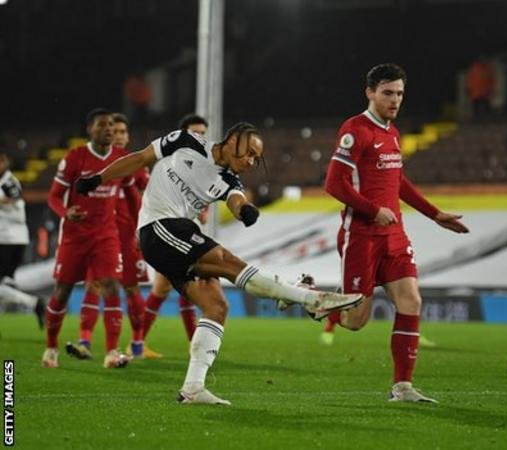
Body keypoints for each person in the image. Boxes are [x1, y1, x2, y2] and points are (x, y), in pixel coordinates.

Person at [75, 122, 363, 404]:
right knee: (227, 261)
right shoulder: (185, 141)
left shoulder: (230, 180)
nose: (251, 161)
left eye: (256, 157)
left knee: (216, 306)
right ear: (232, 141)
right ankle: (307, 298)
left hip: (179, 235)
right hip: (158, 227)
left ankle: (193, 387)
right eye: (249, 153)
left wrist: (245, 210)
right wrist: (98, 179)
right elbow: (139, 158)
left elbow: (235, 200)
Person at [323, 63, 469, 403]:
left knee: (411, 300)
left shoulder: (393, 132)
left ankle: (402, 387)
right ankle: (315, 298)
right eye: (388, 93)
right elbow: (334, 184)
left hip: (394, 237)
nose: (395, 100)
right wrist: (373, 210)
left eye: (400, 93)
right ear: (370, 93)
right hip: (360, 236)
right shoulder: (355, 129)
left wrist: (435, 214)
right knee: (357, 320)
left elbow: (397, 182)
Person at [42, 108, 140, 369]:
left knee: (111, 287)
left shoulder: (121, 158)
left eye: (111, 125)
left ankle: (111, 352)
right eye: (102, 125)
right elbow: (53, 196)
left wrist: (140, 225)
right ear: (90, 129)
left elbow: (132, 195)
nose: (108, 130)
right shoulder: (75, 157)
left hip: (106, 236)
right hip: (74, 236)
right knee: (61, 292)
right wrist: (66, 212)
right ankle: (51, 347)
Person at [68, 113, 149, 361]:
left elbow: (146, 193)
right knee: (94, 285)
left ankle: (137, 343)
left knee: (131, 287)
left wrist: (141, 229)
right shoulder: (98, 164)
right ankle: (85, 341)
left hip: (127, 236)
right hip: (102, 235)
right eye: (116, 131)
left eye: (124, 132)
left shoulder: (134, 164)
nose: (119, 136)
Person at [140, 114, 211, 359]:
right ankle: (137, 344)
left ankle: (141, 344)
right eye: (195, 132)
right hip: (164, 232)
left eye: (203, 132)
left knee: (180, 287)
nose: (199, 137)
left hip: (185, 232)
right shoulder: (167, 163)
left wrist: (203, 210)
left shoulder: (203, 166)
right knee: (162, 289)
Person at [0, 153, 45, 326]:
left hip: (9, 240)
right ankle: (34, 304)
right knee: (4, 285)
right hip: (8, 238)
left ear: (4, 161)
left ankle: (34, 303)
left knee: (3, 285)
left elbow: (13, 197)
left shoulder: (9, 181)